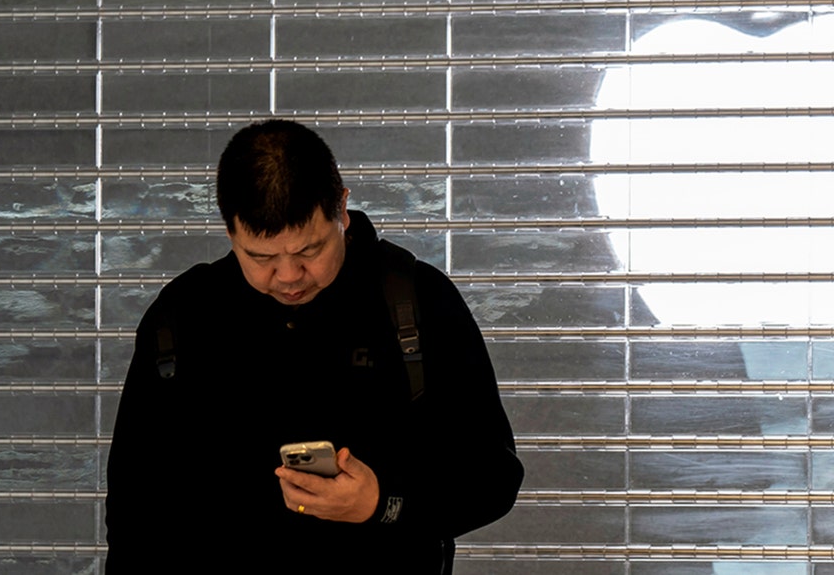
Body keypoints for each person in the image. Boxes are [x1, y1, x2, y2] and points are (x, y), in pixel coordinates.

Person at [105, 119, 523, 572]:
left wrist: (381, 503)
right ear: (230, 231)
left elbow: (493, 478)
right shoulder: (183, 316)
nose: (287, 276)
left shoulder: (415, 301)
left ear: (341, 209)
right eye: (261, 257)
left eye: (309, 251)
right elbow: (134, 508)